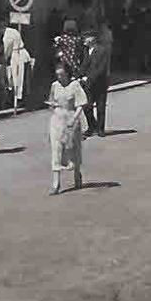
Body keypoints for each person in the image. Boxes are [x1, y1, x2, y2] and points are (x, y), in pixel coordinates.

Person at [46, 61, 88, 195]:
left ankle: (77, 173)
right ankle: (56, 183)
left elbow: (81, 104)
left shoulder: (75, 85)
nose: (60, 78)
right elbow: (51, 101)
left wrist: (74, 119)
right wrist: (52, 105)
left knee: (73, 148)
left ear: (67, 74)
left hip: (71, 118)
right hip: (57, 119)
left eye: (62, 75)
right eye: (58, 75)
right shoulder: (54, 86)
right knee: (56, 149)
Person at [82, 26, 112, 136]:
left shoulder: (102, 50)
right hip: (89, 83)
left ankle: (100, 129)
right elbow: (84, 65)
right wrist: (76, 76)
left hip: (100, 83)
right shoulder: (86, 50)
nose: (84, 40)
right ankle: (92, 126)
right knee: (86, 106)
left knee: (100, 107)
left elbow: (101, 68)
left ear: (92, 39)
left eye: (86, 37)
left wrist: (89, 78)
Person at [1, 21, 31, 111]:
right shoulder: (14, 30)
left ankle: (18, 100)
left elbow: (6, 50)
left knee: (17, 78)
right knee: (24, 78)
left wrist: (4, 59)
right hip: (24, 54)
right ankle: (23, 98)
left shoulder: (7, 35)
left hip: (17, 56)